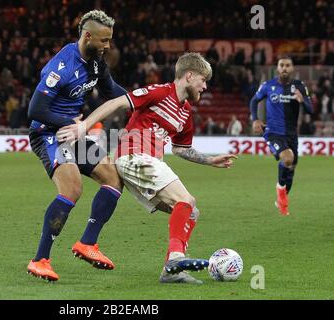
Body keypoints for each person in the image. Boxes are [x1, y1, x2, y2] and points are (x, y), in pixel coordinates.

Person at [57, 52, 237, 284]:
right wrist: (84, 126)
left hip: (148, 163)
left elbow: (182, 149)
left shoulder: (185, 113)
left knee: (190, 212)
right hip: (134, 156)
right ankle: (176, 258)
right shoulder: (160, 92)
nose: (205, 86)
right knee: (186, 200)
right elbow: (117, 102)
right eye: (203, 80)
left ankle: (170, 272)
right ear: (189, 76)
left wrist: (210, 160)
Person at [26, 10, 126, 282]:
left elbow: (111, 91)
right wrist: (68, 121)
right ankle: (40, 260)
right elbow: (35, 110)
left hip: (73, 132)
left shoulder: (96, 62)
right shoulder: (60, 67)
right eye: (104, 40)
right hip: (48, 133)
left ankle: (87, 244)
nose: (108, 46)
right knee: (72, 189)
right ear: (88, 36)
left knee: (114, 178)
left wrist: (140, 99)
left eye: (110, 40)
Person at [249, 57, 313, 216]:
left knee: (290, 170)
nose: (284, 68)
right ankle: (280, 189)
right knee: (288, 158)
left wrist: (302, 100)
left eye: (287, 65)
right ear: (278, 68)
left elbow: (311, 110)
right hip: (273, 132)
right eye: (281, 65)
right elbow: (254, 101)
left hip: (291, 134)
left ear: (292, 68)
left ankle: (281, 198)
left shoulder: (299, 86)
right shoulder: (268, 86)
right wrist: (255, 119)